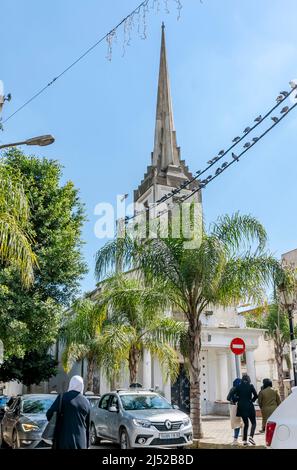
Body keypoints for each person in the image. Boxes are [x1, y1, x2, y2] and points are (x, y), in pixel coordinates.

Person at [46, 375, 91, 449]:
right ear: (81, 385)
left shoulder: (62, 397)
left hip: (63, 440)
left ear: (71, 384)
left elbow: (49, 414)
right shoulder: (86, 402)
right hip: (81, 442)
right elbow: (88, 425)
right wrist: (87, 444)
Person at [235, 374, 258, 446]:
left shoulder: (238, 387)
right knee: (253, 422)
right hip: (249, 406)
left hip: (241, 407)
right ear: (248, 379)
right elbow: (256, 395)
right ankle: (251, 437)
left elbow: (235, 396)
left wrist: (238, 399)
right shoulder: (251, 386)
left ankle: (245, 441)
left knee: (246, 424)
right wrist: (252, 400)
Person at [227, 378, 242, 445]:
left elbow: (228, 398)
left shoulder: (233, 388)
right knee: (240, 423)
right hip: (240, 407)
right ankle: (241, 440)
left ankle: (235, 439)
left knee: (236, 424)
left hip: (233, 407)